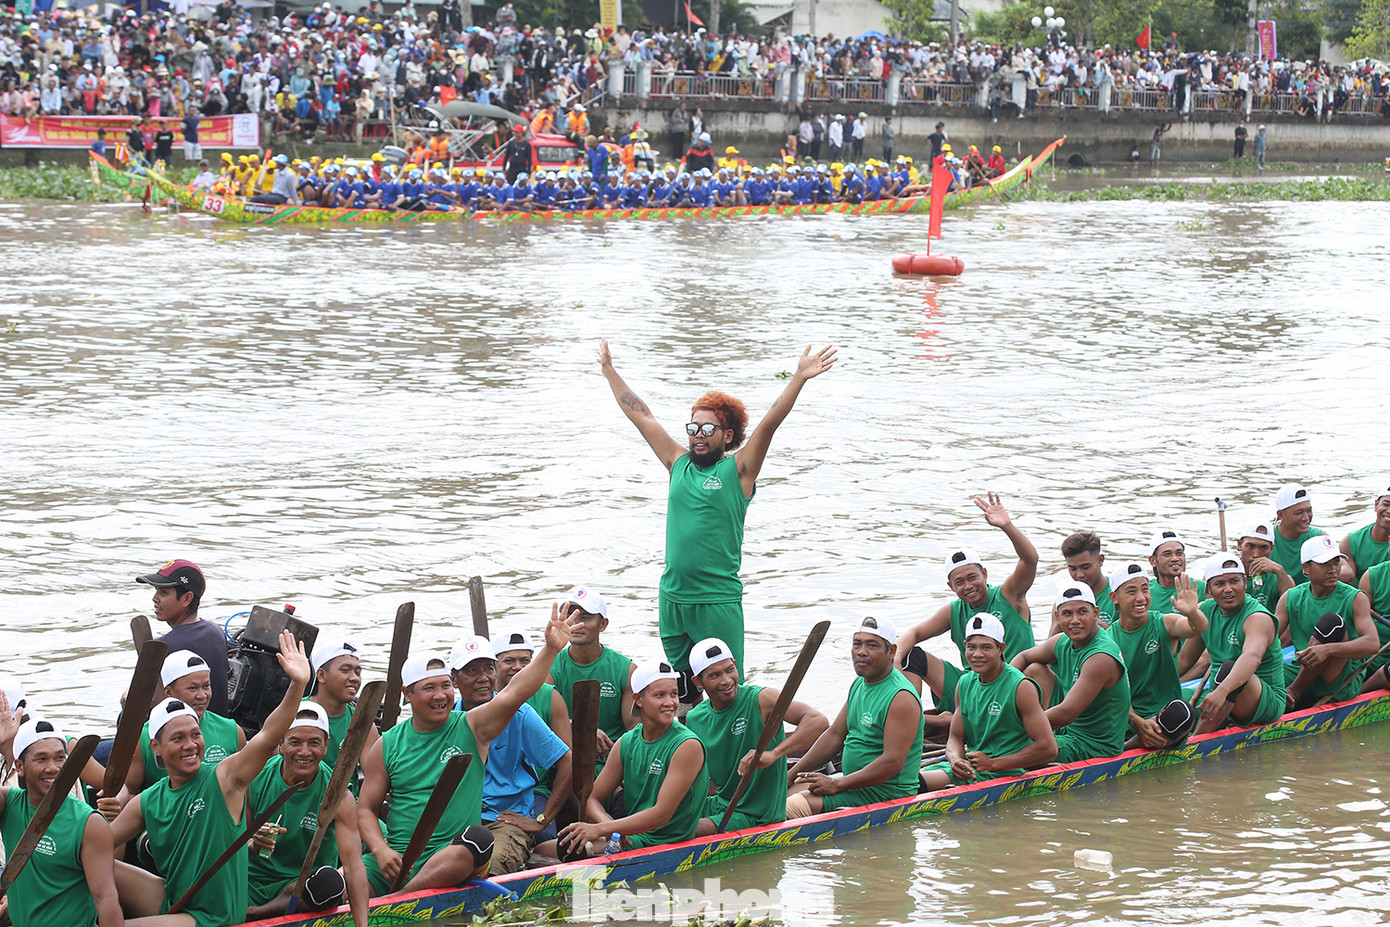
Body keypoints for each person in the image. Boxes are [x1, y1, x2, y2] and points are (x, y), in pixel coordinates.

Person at [597, 339, 836, 693]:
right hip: (672, 597)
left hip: (716, 600)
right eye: (693, 428)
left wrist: (799, 377)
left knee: (726, 689)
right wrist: (609, 371)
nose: (698, 435)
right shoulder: (677, 463)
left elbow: (769, 425)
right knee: (682, 689)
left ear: (727, 436)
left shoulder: (738, 471)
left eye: (708, 430)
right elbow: (642, 416)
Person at [357, 605, 576, 895]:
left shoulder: (473, 726)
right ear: (407, 694)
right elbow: (365, 809)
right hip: (399, 854)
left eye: (444, 686)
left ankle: (399, 899)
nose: (440, 695)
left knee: (476, 840)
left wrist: (550, 650)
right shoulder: (387, 743)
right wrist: (380, 849)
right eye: (429, 688)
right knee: (337, 883)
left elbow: (515, 692)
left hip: (458, 849)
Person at [110, 631, 312, 927]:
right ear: (156, 747)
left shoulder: (225, 779)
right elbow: (98, 843)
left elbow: (269, 735)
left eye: (195, 735)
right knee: (94, 861)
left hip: (212, 916)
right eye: (178, 739)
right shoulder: (147, 800)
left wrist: (298, 684)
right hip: (175, 896)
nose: (190, 745)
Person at [895, 493, 1039, 727]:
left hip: (1012, 685)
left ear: (985, 574)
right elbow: (913, 633)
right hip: (970, 686)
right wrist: (895, 660)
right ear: (950, 586)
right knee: (911, 655)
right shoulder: (953, 610)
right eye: (959, 582)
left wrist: (1007, 526)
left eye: (972, 577)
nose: (968, 586)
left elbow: (1030, 560)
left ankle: (941, 722)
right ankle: (910, 721)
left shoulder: (1010, 595)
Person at [449, 634, 571, 873]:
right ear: (454, 679)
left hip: (504, 820)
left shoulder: (520, 714)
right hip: (457, 817)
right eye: (472, 671)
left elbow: (567, 762)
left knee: (489, 871)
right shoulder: (447, 718)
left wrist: (542, 820)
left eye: (488, 669)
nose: (483, 678)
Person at [558, 660, 708, 853]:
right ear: (638, 699)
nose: (670, 703)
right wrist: (609, 826)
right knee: (543, 849)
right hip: (631, 836)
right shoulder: (626, 741)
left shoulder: (687, 745)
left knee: (569, 853)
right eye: (660, 695)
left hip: (665, 842)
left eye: (674, 694)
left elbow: (661, 815)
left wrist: (604, 829)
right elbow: (592, 798)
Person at [684, 637, 828, 835]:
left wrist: (774, 754)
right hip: (721, 803)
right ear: (697, 682)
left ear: (735, 665)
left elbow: (818, 721)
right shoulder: (694, 718)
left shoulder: (761, 699)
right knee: (663, 822)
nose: (726, 680)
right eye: (715, 675)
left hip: (759, 814)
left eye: (729, 670)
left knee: (685, 830)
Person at [244, 703, 371, 925]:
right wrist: (253, 844)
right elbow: (233, 846)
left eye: (314, 743)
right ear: (281, 744)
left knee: (330, 884)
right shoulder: (254, 778)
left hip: (303, 891)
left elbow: (353, 866)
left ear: (326, 746)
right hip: (250, 882)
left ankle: (254, 914)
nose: (304, 752)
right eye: (295, 742)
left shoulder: (338, 794)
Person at [785, 617, 923, 816]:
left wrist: (837, 784)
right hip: (852, 785)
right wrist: (791, 775)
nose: (861, 652)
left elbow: (893, 761)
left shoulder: (901, 697)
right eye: (857, 644)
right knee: (774, 797)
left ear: (891, 651)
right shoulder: (860, 683)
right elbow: (834, 735)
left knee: (790, 808)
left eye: (872, 645)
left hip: (884, 795)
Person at [0, 713, 123, 927]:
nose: (53, 768)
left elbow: (106, 899)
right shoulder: (8, 804)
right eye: (41, 759)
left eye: (60, 758)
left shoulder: (89, 823)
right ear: (19, 767)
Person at [919, 614, 1057, 790]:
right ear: (965, 647)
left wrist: (993, 764)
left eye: (986, 647)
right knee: (904, 780)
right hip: (973, 768)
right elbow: (955, 737)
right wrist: (956, 760)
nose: (977, 654)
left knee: (914, 783)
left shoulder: (1021, 687)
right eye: (972, 647)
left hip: (1004, 772)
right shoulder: (964, 683)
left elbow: (1048, 748)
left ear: (1001, 649)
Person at [1011, 586, 1131, 763]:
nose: (1075, 620)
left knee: (1009, 746)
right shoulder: (1063, 641)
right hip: (1070, 727)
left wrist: (1012, 729)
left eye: (1082, 612)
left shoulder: (1101, 657)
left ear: (1095, 613)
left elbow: (1067, 714)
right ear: (1058, 618)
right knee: (1033, 670)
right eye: (1067, 614)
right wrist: (1002, 692)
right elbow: (1024, 657)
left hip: (1092, 745)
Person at [1104, 562, 1207, 749]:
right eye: (1131, 592)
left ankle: (1129, 746)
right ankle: (1130, 743)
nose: (1141, 598)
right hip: (1126, 718)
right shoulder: (1108, 639)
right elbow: (1111, 694)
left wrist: (1192, 612)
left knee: (1182, 711)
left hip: (1163, 719)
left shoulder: (1164, 622)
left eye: (1145, 589)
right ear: (1114, 597)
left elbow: (1197, 628)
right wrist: (1135, 720)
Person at [1183, 556, 1287, 733]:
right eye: (1219, 584)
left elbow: (1252, 657)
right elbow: (1184, 660)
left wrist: (1222, 692)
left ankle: (1197, 739)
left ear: (1245, 583)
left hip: (1262, 700)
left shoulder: (1258, 617)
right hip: (1218, 691)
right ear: (1209, 588)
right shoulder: (1204, 610)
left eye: (1234, 581)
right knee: (1174, 703)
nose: (1228, 589)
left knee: (1229, 668)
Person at [1276, 536, 1377, 709]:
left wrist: (1327, 650)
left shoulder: (1356, 598)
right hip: (1301, 667)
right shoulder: (1290, 597)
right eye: (1324, 564)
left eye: (1336, 562)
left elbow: (1372, 643)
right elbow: (1268, 638)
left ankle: (1294, 691)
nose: (1333, 570)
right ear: (1306, 568)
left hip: (1339, 677)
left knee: (1332, 622)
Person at [492, 626, 571, 844]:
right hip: (486, 792)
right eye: (509, 661)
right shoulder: (481, 699)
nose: (517, 667)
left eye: (525, 661)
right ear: (494, 666)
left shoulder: (549, 696)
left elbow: (568, 759)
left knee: (544, 838)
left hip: (534, 790)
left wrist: (542, 819)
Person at [126, 649, 245, 793]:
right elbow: (130, 791)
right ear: (169, 692)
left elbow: (245, 785)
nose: (202, 695)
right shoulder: (144, 737)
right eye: (192, 688)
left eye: (206, 686)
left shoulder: (232, 731)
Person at [545, 586, 634, 771]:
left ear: (602, 624)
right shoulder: (549, 667)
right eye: (572, 617)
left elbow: (634, 731)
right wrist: (582, 730)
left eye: (585, 617)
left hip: (612, 762)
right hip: (566, 760)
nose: (576, 624)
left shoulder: (627, 669)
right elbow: (539, 720)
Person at [136, 559, 230, 715]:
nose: (155, 598)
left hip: (185, 727)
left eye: (163, 592)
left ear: (187, 598)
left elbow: (145, 702)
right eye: (156, 591)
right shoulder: (216, 632)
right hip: (216, 721)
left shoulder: (163, 647)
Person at [308, 636, 378, 773]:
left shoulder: (363, 724)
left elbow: (372, 776)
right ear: (321, 675)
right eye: (345, 670)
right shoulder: (294, 713)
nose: (354, 678)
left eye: (357, 672)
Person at [1270, 483, 1322, 587]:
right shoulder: (1265, 540)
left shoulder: (1319, 537)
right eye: (1299, 513)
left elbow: (1346, 573)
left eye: (1309, 511)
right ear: (1281, 515)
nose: (1306, 518)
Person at [1237, 521, 1294, 613]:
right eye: (1250, 546)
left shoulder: (1279, 577)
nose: (1256, 554)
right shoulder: (1227, 574)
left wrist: (1279, 571)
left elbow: (1293, 607)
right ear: (1240, 544)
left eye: (1263, 548)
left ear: (1271, 549)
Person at [1059, 530, 1115, 624]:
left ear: (1100, 560)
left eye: (1086, 567)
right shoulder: (1064, 598)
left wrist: (1093, 625)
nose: (1079, 575)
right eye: (1073, 569)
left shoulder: (1118, 595)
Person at [1340, 481, 1390, 582]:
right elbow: (1347, 587)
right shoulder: (1351, 542)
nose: (1389, 510)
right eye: (1386, 504)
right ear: (1376, 505)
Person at [1148, 529, 1205, 617]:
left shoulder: (1203, 588)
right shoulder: (1145, 592)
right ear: (1153, 561)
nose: (1175, 559)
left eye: (1179, 553)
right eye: (1167, 554)